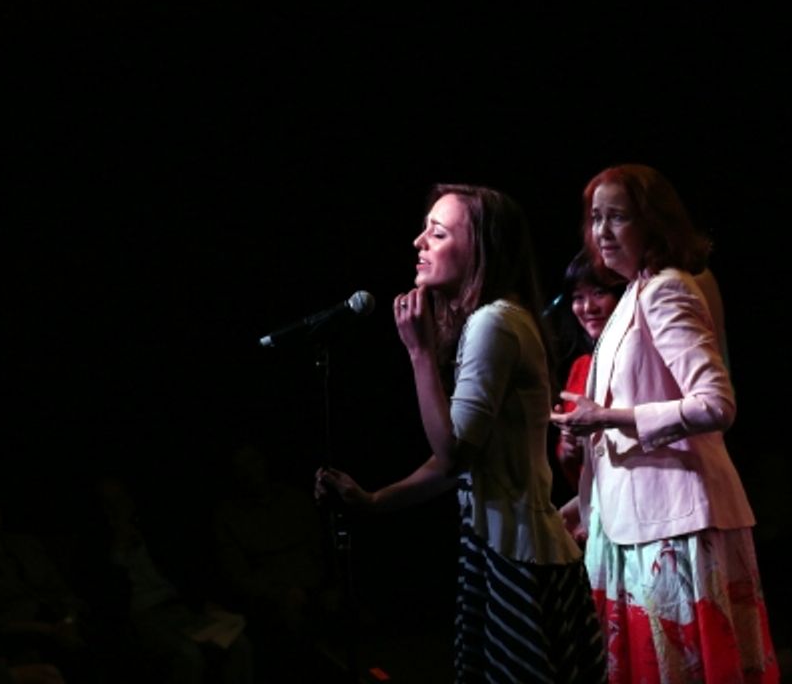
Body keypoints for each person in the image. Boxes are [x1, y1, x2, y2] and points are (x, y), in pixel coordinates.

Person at [315, 183, 606, 682]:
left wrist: (420, 353)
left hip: (519, 557)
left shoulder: (495, 324)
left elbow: (450, 454)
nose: (418, 243)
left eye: (438, 232)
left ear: (479, 250)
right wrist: (375, 501)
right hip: (501, 551)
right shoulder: (493, 321)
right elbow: (460, 457)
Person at [550, 163, 779, 683]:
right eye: (595, 217)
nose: (602, 232)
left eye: (618, 217)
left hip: (678, 526)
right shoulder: (633, 294)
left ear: (653, 224)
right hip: (637, 523)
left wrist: (605, 417)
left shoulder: (665, 290)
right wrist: (586, 502)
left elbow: (716, 404)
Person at [546, 249, 627, 514]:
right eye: (578, 297)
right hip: (598, 507)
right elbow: (572, 466)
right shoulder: (581, 366)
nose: (588, 307)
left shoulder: (636, 359)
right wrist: (568, 451)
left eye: (599, 293)